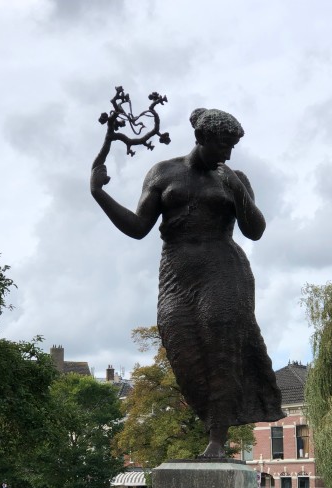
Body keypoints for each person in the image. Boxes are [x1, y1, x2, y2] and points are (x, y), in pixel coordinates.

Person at [91, 107, 282, 457]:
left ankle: (216, 441)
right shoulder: (163, 173)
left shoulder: (233, 177)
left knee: (222, 348)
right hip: (177, 271)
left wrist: (237, 187)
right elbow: (137, 227)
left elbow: (255, 230)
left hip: (224, 269)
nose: (227, 154)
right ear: (201, 139)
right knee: (181, 348)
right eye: (222, 145)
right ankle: (211, 423)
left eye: (232, 147)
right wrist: (99, 194)